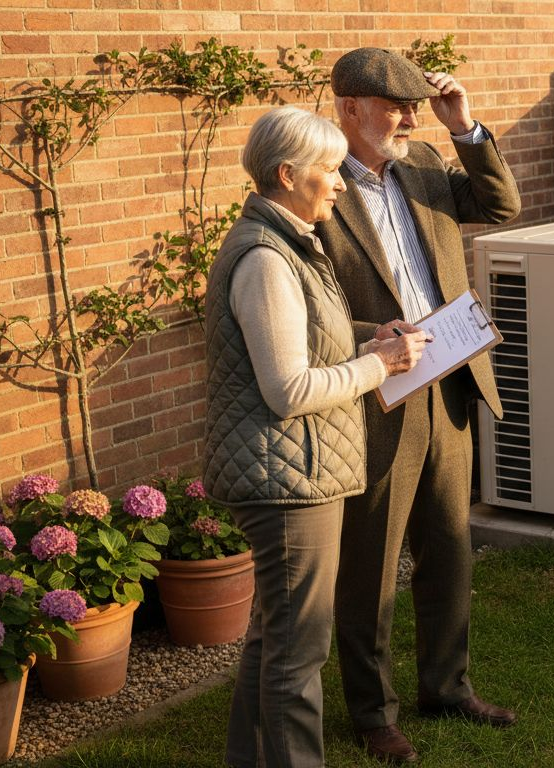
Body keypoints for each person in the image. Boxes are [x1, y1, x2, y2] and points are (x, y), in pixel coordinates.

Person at [202, 105, 432, 768]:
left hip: (296, 472)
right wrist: (378, 366)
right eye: (329, 169)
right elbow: (288, 390)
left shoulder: (290, 241)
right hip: (285, 482)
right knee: (297, 653)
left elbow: (306, 338)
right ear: (286, 173)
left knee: (275, 640)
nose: (339, 182)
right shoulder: (267, 260)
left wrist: (371, 337)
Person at [314, 47, 522, 764]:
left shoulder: (430, 162)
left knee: (450, 547)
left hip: (451, 384)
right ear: (348, 108)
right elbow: (304, 309)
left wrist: (464, 127)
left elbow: (500, 205)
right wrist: (367, 343)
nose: (409, 115)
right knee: (368, 564)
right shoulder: (316, 187)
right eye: (393, 105)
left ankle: (447, 685)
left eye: (414, 103)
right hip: (377, 395)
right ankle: (373, 713)